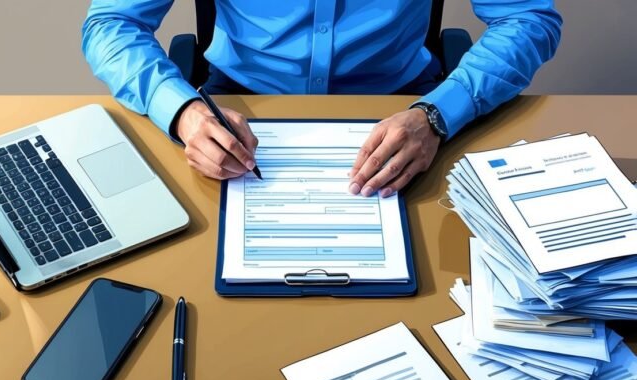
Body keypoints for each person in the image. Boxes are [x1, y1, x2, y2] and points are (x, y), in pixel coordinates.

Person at [82, 1, 561, 197]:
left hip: (409, 112)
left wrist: (438, 115)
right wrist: (182, 110)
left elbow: (528, 18)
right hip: (239, 112)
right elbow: (111, 24)